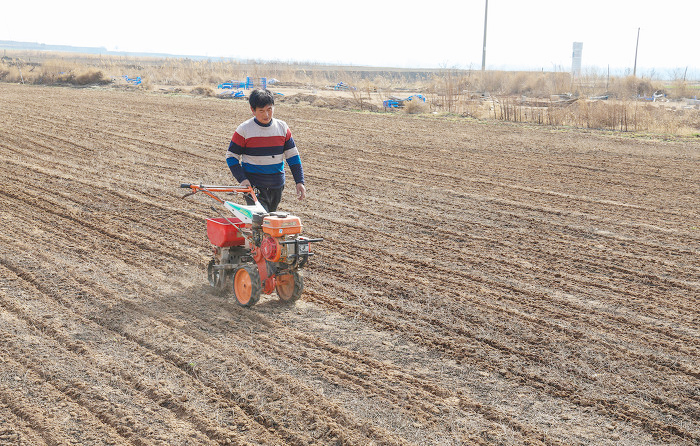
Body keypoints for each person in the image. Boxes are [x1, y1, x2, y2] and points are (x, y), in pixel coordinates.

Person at [226, 88, 306, 212]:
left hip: (277, 185)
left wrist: (299, 181)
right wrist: (243, 179)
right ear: (253, 110)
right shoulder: (244, 130)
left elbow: (293, 156)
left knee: (270, 223)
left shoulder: (282, 128)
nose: (266, 115)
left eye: (269, 109)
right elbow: (231, 157)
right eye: (261, 111)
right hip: (254, 186)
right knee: (261, 221)